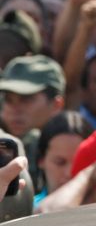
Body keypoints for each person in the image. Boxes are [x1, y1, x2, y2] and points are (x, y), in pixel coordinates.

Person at [0, 55, 65, 190]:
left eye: (26, 99)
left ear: (56, 104)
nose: (15, 109)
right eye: (9, 99)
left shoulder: (75, 145)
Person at [34, 111, 94, 209]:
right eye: (60, 162)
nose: (69, 172)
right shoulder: (25, 211)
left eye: (79, 162)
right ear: (41, 161)